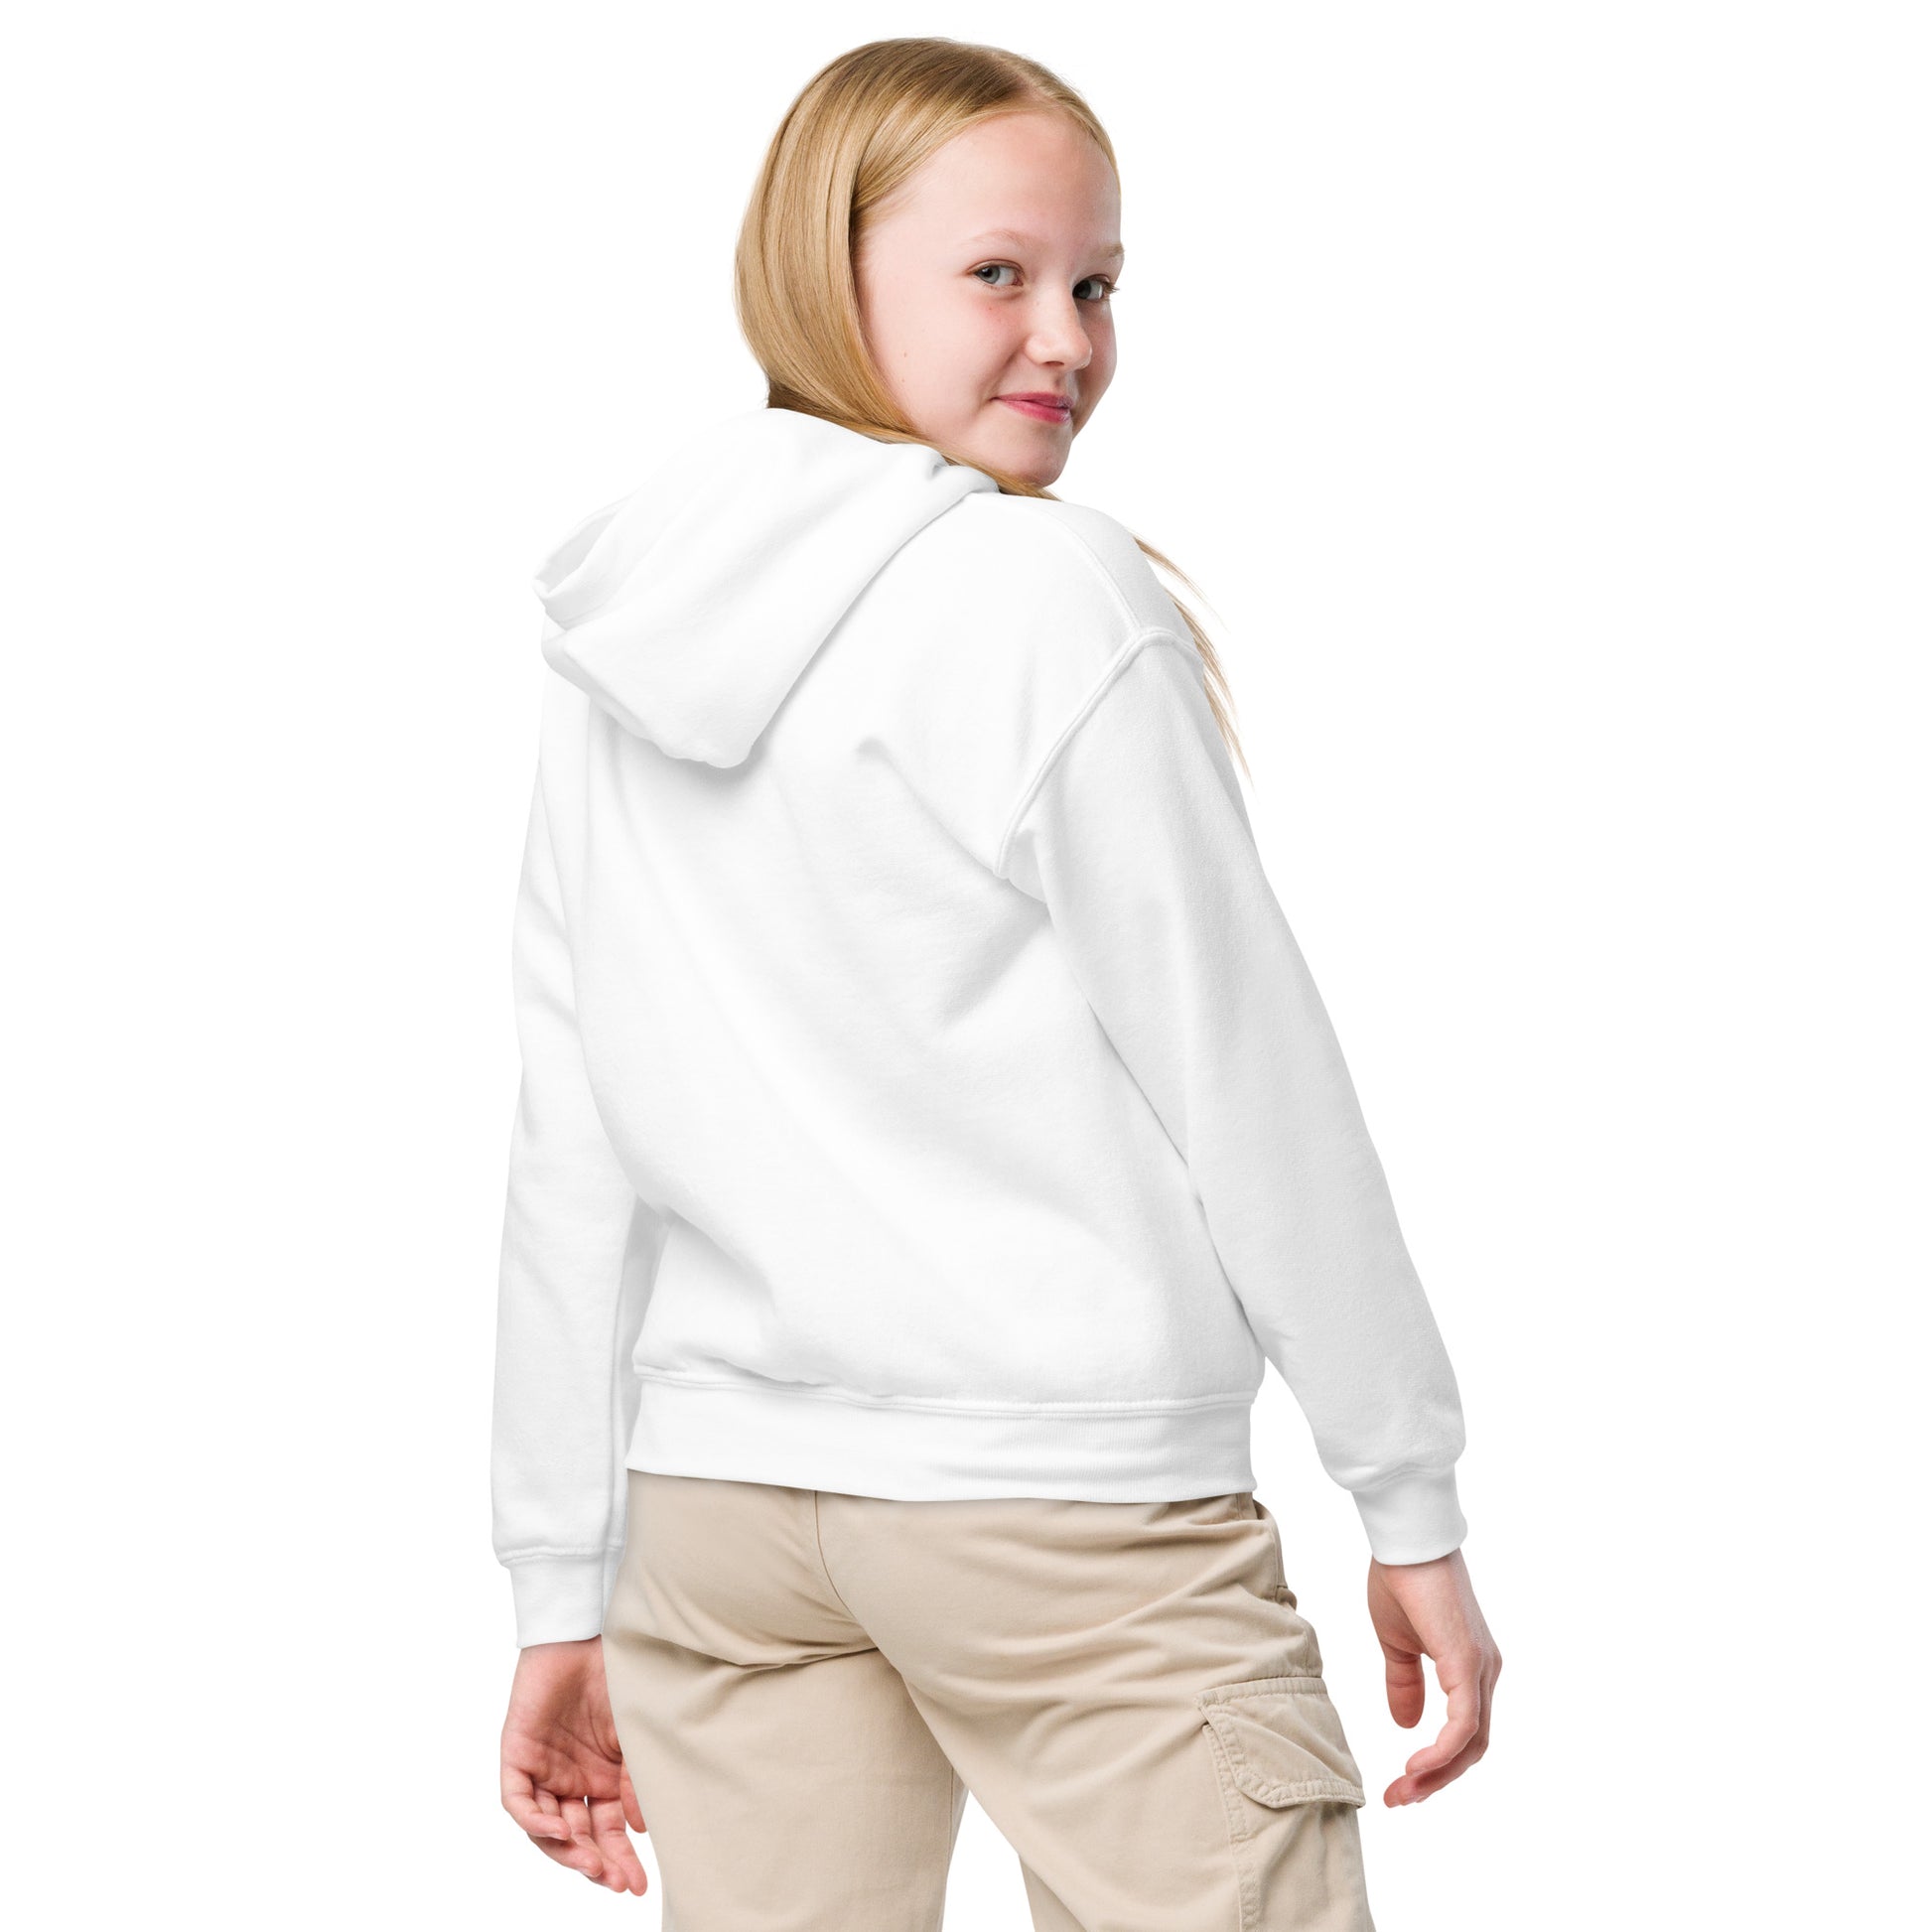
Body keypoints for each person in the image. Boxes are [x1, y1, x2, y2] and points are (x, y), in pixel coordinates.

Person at [491, 36, 1500, 1931]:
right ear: (826, 265)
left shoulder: (624, 626)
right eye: (996, 273)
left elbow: (574, 1133)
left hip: (720, 1524)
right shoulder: (1047, 595)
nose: (1066, 340)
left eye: (1097, 283)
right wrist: (1408, 1495)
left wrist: (562, 1577)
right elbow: (1246, 1077)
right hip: (1061, 1503)